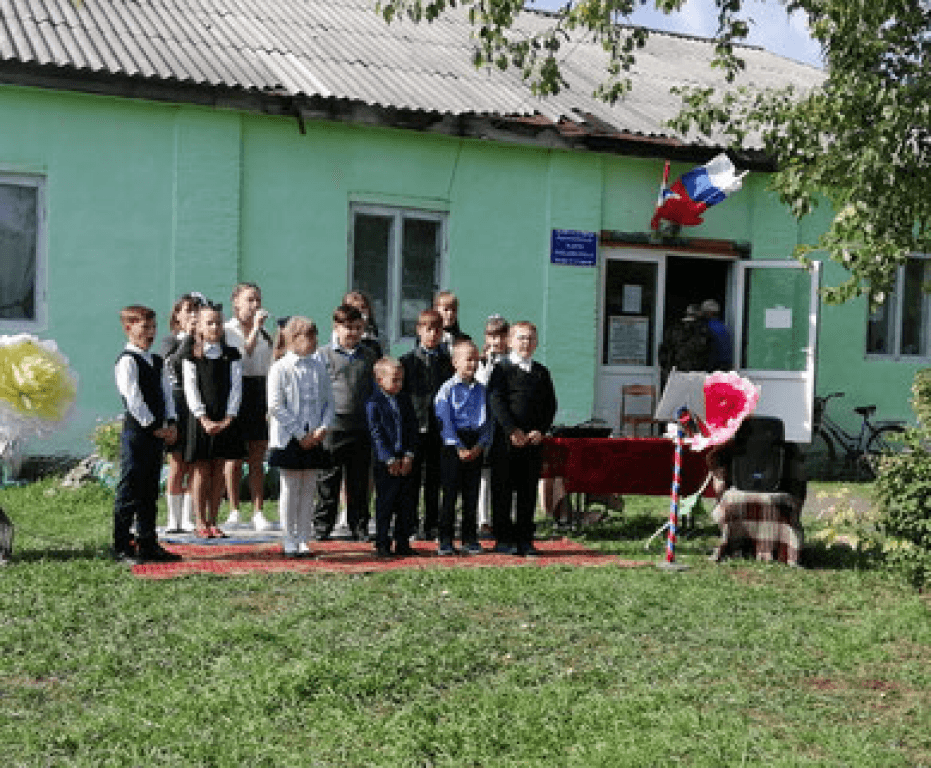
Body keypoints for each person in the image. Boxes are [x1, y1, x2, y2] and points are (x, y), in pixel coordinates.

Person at [112, 305, 181, 564]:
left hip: (157, 433)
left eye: (153, 327)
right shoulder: (127, 361)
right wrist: (153, 425)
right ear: (129, 328)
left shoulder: (156, 361)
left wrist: (171, 422)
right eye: (144, 327)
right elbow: (134, 399)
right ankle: (122, 545)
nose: (150, 333)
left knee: (150, 489)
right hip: (138, 433)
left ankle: (147, 541)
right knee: (130, 488)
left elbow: (167, 394)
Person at [487, 321, 558, 556]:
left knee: (527, 491)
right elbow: (496, 400)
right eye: (520, 338)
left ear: (536, 343)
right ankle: (504, 538)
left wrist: (541, 429)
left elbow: (550, 405)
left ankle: (525, 538)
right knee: (503, 490)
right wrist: (510, 430)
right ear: (509, 341)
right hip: (506, 442)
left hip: (532, 442)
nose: (525, 342)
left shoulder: (541, 373)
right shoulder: (502, 370)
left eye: (530, 338)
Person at [267, 316, 334, 557]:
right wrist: (298, 433)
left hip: (314, 437)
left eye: (316, 335)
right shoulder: (280, 368)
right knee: (290, 488)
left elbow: (329, 401)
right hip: (289, 438)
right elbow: (275, 405)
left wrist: (323, 427)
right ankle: (289, 538)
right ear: (294, 339)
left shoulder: (319, 366)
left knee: (309, 489)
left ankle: (304, 537)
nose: (315, 340)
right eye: (310, 336)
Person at [314, 304, 377, 541]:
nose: (352, 333)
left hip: (360, 427)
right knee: (328, 481)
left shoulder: (369, 356)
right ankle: (322, 526)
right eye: (347, 328)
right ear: (336, 328)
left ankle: (359, 526)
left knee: (359, 482)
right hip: (333, 426)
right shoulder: (324, 355)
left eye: (357, 328)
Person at [182, 302, 244, 538]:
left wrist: (229, 416)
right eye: (210, 322)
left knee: (219, 470)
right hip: (201, 421)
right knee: (200, 471)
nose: (215, 327)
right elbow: (191, 388)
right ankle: (199, 521)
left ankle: (213, 520)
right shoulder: (191, 356)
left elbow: (236, 388)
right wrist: (202, 418)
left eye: (218, 322)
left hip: (226, 418)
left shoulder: (232, 355)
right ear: (198, 326)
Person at [223, 282, 275, 531]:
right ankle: (233, 509)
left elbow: (269, 364)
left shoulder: (265, 333)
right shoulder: (228, 331)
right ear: (236, 303)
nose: (255, 305)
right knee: (233, 456)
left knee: (257, 456)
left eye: (258, 300)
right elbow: (243, 356)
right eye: (250, 300)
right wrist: (254, 329)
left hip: (258, 391)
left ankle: (258, 511)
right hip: (236, 390)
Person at [434, 338, 493, 555]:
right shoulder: (447, 390)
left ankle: (470, 538)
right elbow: (444, 420)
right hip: (453, 444)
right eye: (468, 359)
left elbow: (488, 421)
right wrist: (458, 446)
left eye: (476, 359)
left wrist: (480, 444)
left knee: (472, 494)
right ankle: (445, 540)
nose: (473, 364)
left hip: (475, 442)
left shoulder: (482, 391)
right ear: (455, 362)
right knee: (450, 494)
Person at [401, 308, 454, 541]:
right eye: (428, 329)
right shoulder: (407, 361)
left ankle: (430, 523)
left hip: (439, 429)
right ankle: (409, 523)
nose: (433, 334)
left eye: (437, 329)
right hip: (415, 427)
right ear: (419, 330)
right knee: (411, 479)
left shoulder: (448, 363)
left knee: (434, 479)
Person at [366, 357, 419, 558]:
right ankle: (382, 543)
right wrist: (388, 459)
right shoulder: (373, 403)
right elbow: (376, 433)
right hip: (384, 462)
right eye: (394, 380)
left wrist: (408, 454)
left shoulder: (404, 400)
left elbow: (412, 428)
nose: (398, 384)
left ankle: (403, 542)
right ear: (380, 380)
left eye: (401, 380)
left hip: (404, 457)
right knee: (386, 503)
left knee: (405, 503)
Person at [159, 293, 203, 533]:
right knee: (176, 463)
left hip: (196, 407)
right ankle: (173, 518)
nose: (193, 315)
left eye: (196, 310)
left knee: (193, 462)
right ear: (177, 315)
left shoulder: (201, 343)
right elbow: (173, 364)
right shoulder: (171, 341)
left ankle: (188, 516)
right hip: (177, 404)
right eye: (188, 310)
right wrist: (187, 337)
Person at [476, 315, 509, 535]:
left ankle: (506, 517)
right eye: (491, 336)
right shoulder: (481, 361)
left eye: (500, 336)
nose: (496, 341)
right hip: (485, 422)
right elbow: (480, 385)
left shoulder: (513, 360)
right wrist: (486, 362)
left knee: (506, 473)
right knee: (484, 473)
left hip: (505, 422)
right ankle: (483, 518)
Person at [657, 303, 712, 390]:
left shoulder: (673, 328)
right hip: (695, 375)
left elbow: (663, 350)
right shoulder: (702, 331)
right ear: (699, 314)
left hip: (675, 373)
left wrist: (666, 369)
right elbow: (707, 353)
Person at [342, 290, 387, 359]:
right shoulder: (340, 335)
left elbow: (384, 361)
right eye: (355, 308)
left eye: (363, 307)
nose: (360, 311)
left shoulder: (379, 336)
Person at [702, 298, 734, 371]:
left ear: (709, 313)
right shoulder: (724, 327)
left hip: (713, 366)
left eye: (704, 312)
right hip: (725, 366)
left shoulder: (707, 327)